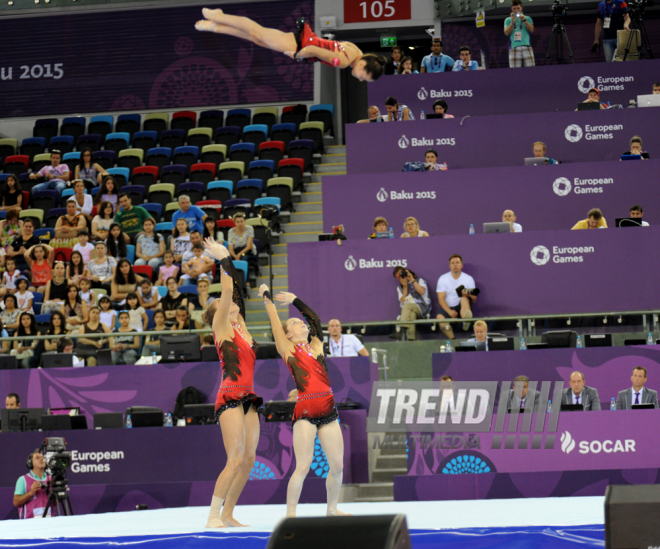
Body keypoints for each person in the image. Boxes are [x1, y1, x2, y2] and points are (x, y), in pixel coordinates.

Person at [259, 282, 348, 519]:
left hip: (328, 409)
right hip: (305, 412)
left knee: (337, 466)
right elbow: (275, 324)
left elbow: (315, 320)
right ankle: (290, 515)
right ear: (288, 334)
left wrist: (295, 300)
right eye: (296, 323)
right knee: (303, 466)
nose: (302, 323)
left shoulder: (317, 345)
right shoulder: (288, 349)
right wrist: (267, 298)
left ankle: (331, 509)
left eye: (300, 321)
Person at [201, 237, 261, 528]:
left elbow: (234, 289)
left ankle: (228, 514)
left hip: (249, 397)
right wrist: (223, 257)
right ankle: (213, 515)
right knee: (235, 457)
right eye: (222, 304)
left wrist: (229, 264)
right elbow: (227, 289)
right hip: (228, 396)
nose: (230, 302)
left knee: (249, 459)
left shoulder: (242, 327)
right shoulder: (221, 325)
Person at [195, 11, 386, 82]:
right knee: (257, 32)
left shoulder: (358, 52)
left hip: (302, 40)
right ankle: (218, 17)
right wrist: (296, 56)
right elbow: (313, 51)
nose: (360, 80)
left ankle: (217, 27)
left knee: (258, 40)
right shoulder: (344, 62)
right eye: (364, 77)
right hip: (298, 45)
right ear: (362, 66)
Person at [436, 254, 478, 339]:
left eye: (457, 263)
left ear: (461, 265)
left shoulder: (468, 279)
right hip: (448, 307)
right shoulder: (443, 278)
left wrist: (467, 294)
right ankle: (452, 339)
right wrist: (449, 312)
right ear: (450, 266)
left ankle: (466, 321)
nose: (455, 265)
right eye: (453, 263)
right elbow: (441, 299)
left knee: (463, 299)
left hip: (463, 306)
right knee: (439, 317)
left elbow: (474, 299)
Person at [393, 266, 432, 341]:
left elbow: (421, 291)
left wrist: (412, 280)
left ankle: (401, 331)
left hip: (422, 308)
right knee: (411, 314)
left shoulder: (419, 280)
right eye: (398, 277)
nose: (400, 278)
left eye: (401, 275)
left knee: (407, 306)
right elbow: (403, 302)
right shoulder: (400, 288)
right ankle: (411, 341)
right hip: (411, 309)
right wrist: (405, 287)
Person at [14, 449, 51, 519]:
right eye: (37, 458)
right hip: (29, 523)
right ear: (30, 463)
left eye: (42, 457)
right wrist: (31, 492)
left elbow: (55, 503)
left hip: (49, 521)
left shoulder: (50, 479)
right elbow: (16, 502)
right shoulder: (23, 479)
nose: (41, 459)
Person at [504, 0, 535, 68]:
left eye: (518, 8)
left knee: (531, 70)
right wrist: (512, 22)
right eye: (514, 9)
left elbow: (532, 30)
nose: (516, 10)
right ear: (511, 9)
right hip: (514, 47)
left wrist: (524, 20)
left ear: (521, 8)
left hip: (526, 46)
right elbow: (506, 33)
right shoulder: (508, 20)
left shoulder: (527, 18)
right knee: (514, 73)